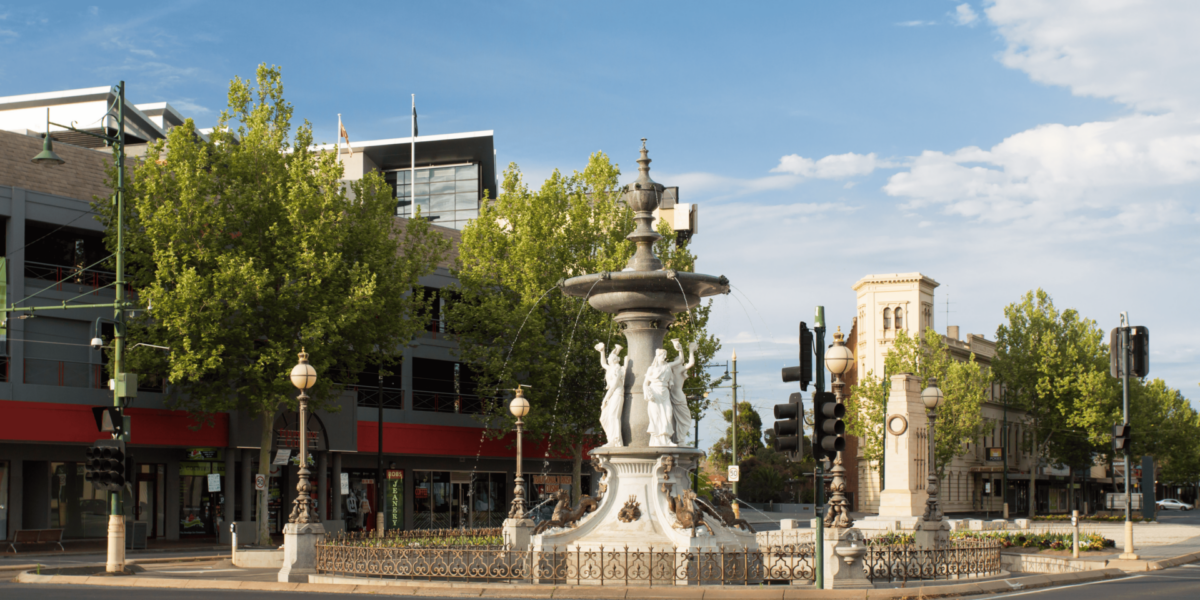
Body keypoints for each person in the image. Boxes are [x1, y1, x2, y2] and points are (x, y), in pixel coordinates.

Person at [595, 342, 628, 447]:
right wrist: (602, 352)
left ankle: (615, 441)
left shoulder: (617, 369)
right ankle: (611, 439)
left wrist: (605, 399)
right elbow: (603, 363)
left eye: (609, 358)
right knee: (604, 418)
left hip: (617, 395)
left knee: (614, 417)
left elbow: (613, 386)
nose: (607, 360)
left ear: (613, 360)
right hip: (612, 395)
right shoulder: (610, 368)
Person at [643, 348, 677, 447]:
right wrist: (648, 393)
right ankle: (657, 440)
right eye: (663, 355)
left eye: (665, 355)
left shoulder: (667, 368)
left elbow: (670, 380)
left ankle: (666, 439)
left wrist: (670, 382)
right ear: (657, 356)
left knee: (667, 415)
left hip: (665, 392)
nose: (665, 357)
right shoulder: (651, 369)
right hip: (655, 392)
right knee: (656, 416)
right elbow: (645, 383)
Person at [669, 340, 698, 445]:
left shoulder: (672, 371)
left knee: (676, 418)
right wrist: (691, 350)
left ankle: (678, 438)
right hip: (678, 395)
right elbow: (691, 363)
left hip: (674, 395)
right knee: (686, 419)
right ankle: (680, 439)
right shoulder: (678, 370)